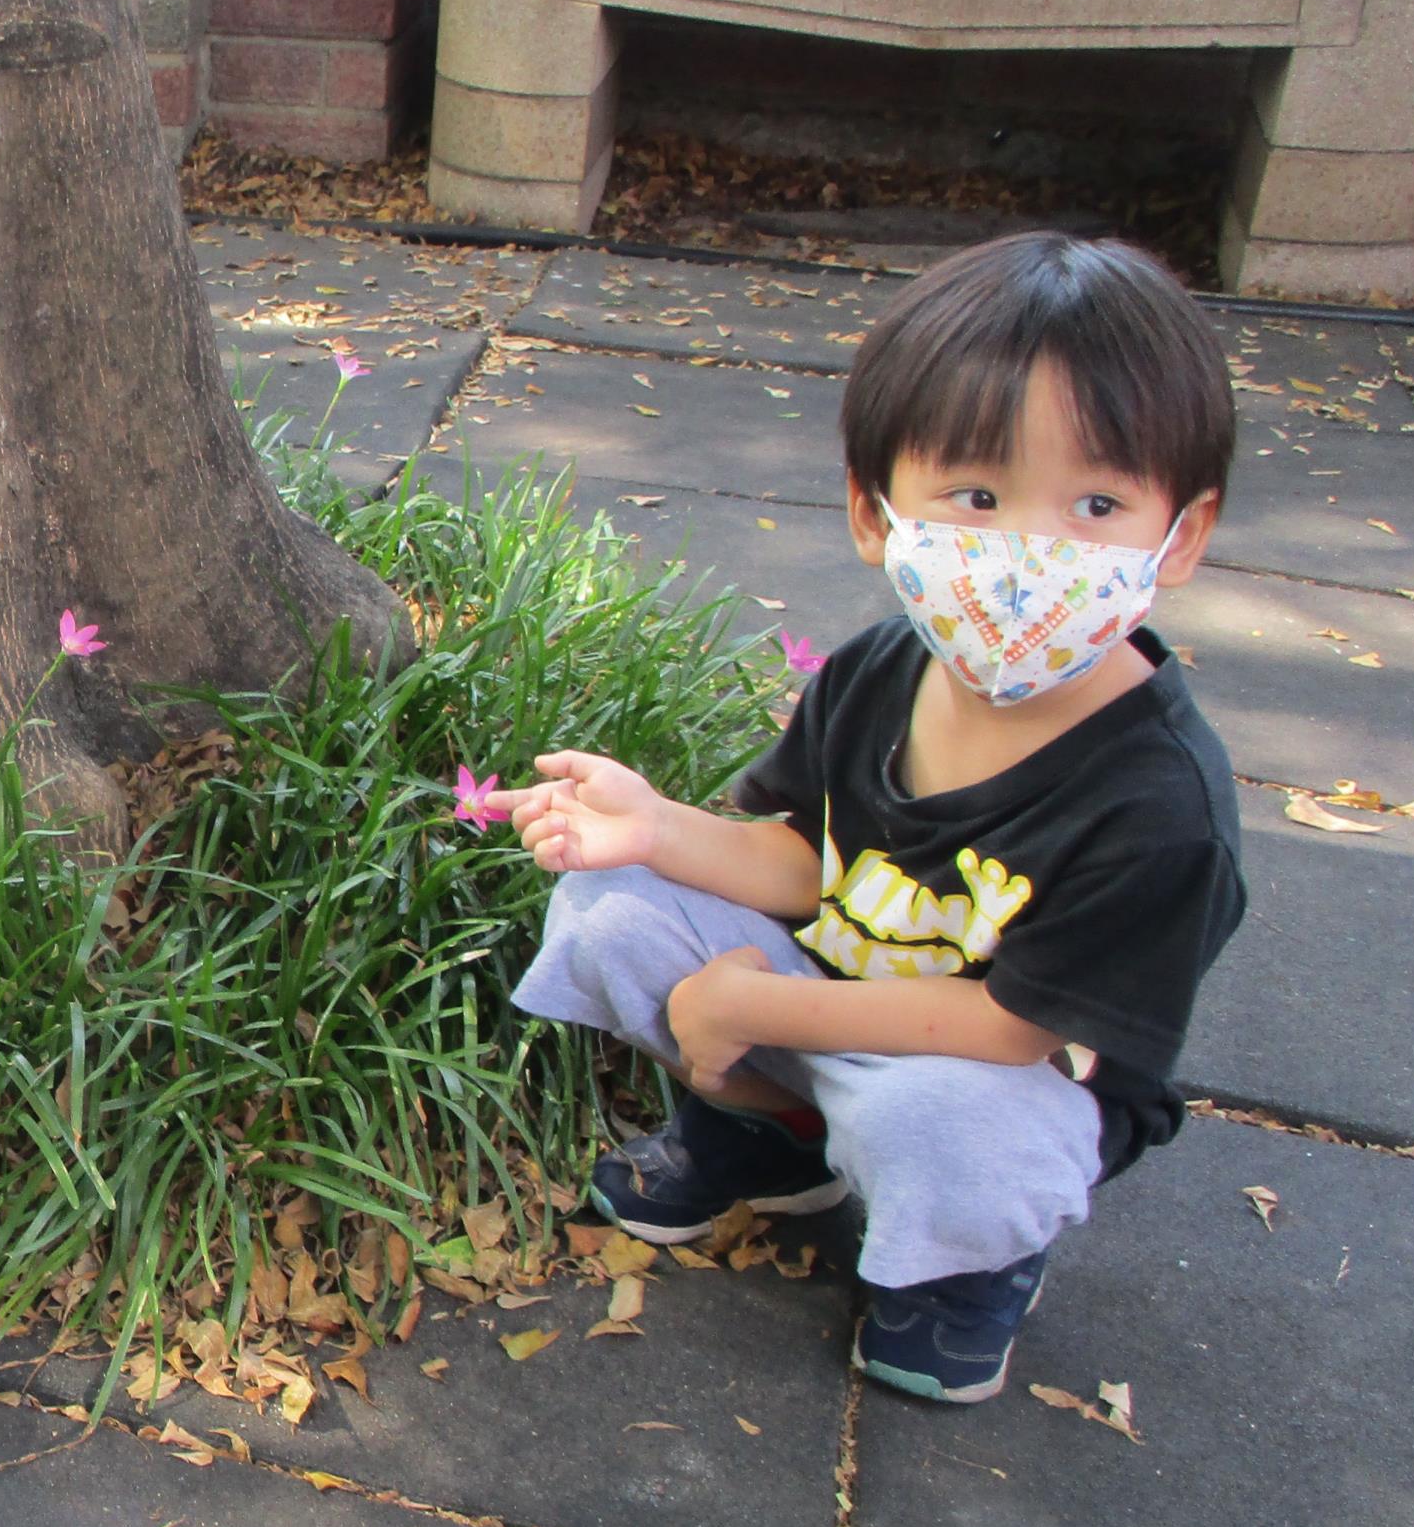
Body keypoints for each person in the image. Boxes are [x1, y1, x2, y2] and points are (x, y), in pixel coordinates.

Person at [482, 233, 1244, 1404]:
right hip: (839, 1002)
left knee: (942, 1116)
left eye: (1095, 503)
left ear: (1178, 533)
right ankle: (776, 1134)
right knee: (608, 907)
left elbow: (1011, 1030)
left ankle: (970, 1257)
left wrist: (753, 1005)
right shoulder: (882, 668)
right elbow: (804, 860)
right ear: (874, 510)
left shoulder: (1159, 804)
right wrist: (654, 827)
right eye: (977, 496)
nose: (1028, 552)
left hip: (1001, 1082)